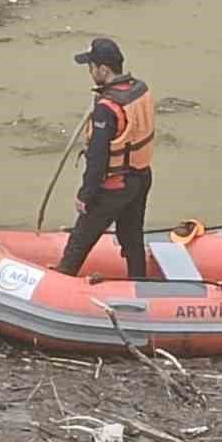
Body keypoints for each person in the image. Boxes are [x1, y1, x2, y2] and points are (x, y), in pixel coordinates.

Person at [55, 37, 154, 279]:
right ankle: (138, 283)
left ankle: (62, 279)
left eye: (91, 66)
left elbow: (98, 159)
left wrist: (85, 195)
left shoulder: (107, 108)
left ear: (103, 69)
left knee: (80, 239)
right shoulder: (139, 90)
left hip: (114, 185)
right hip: (140, 177)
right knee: (132, 238)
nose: (89, 71)